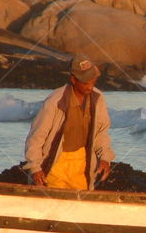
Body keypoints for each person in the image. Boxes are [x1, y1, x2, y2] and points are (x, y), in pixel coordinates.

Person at [24, 55, 114, 189]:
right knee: (53, 199)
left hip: (83, 162)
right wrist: (35, 167)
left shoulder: (97, 99)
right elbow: (37, 135)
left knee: (81, 200)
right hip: (56, 162)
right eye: (85, 82)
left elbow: (101, 132)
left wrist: (105, 158)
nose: (90, 86)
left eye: (93, 80)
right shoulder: (56, 101)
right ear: (73, 79)